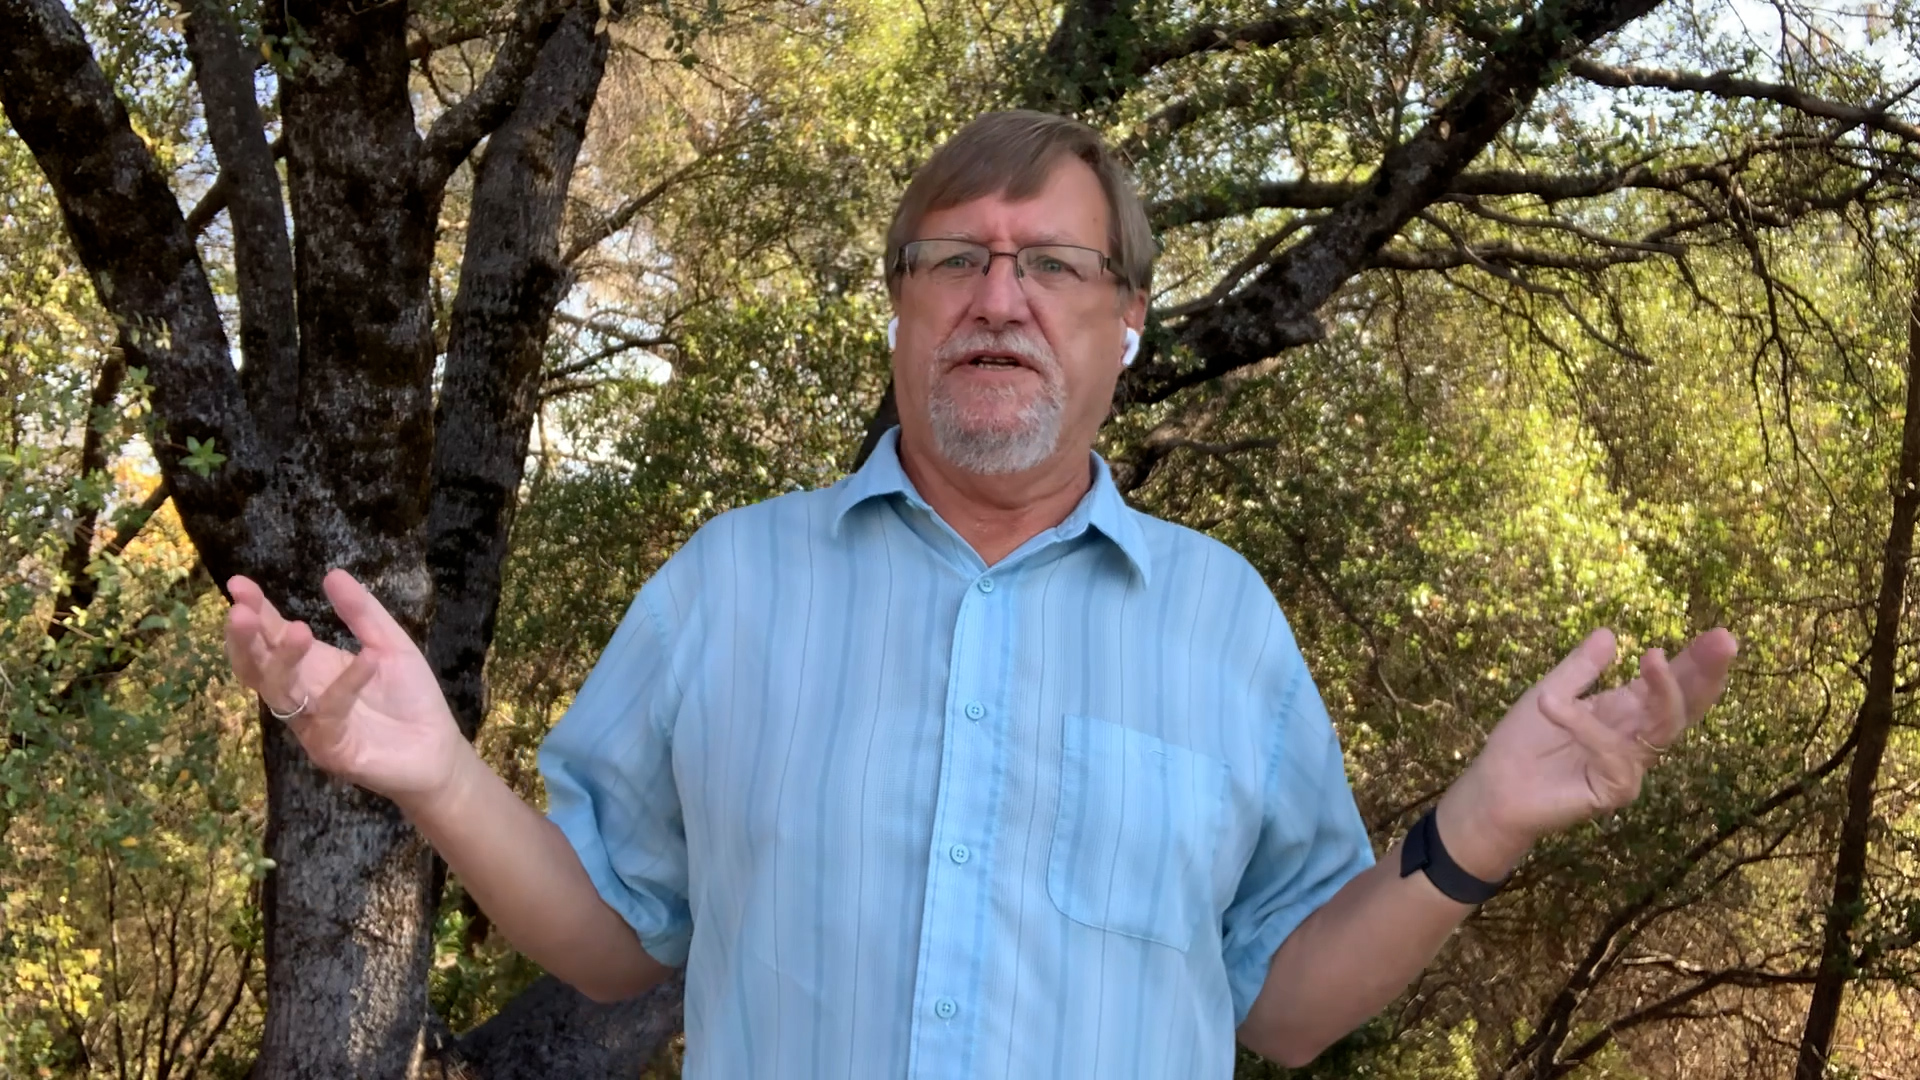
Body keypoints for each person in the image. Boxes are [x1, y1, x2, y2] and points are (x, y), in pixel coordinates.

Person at [222, 110, 1738, 1078]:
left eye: (1051, 267)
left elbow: (1283, 1009)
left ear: (1125, 319)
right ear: (901, 306)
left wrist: (1480, 826)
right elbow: (621, 943)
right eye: (955, 260)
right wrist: (437, 777)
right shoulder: (727, 584)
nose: (998, 299)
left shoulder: (1224, 625)